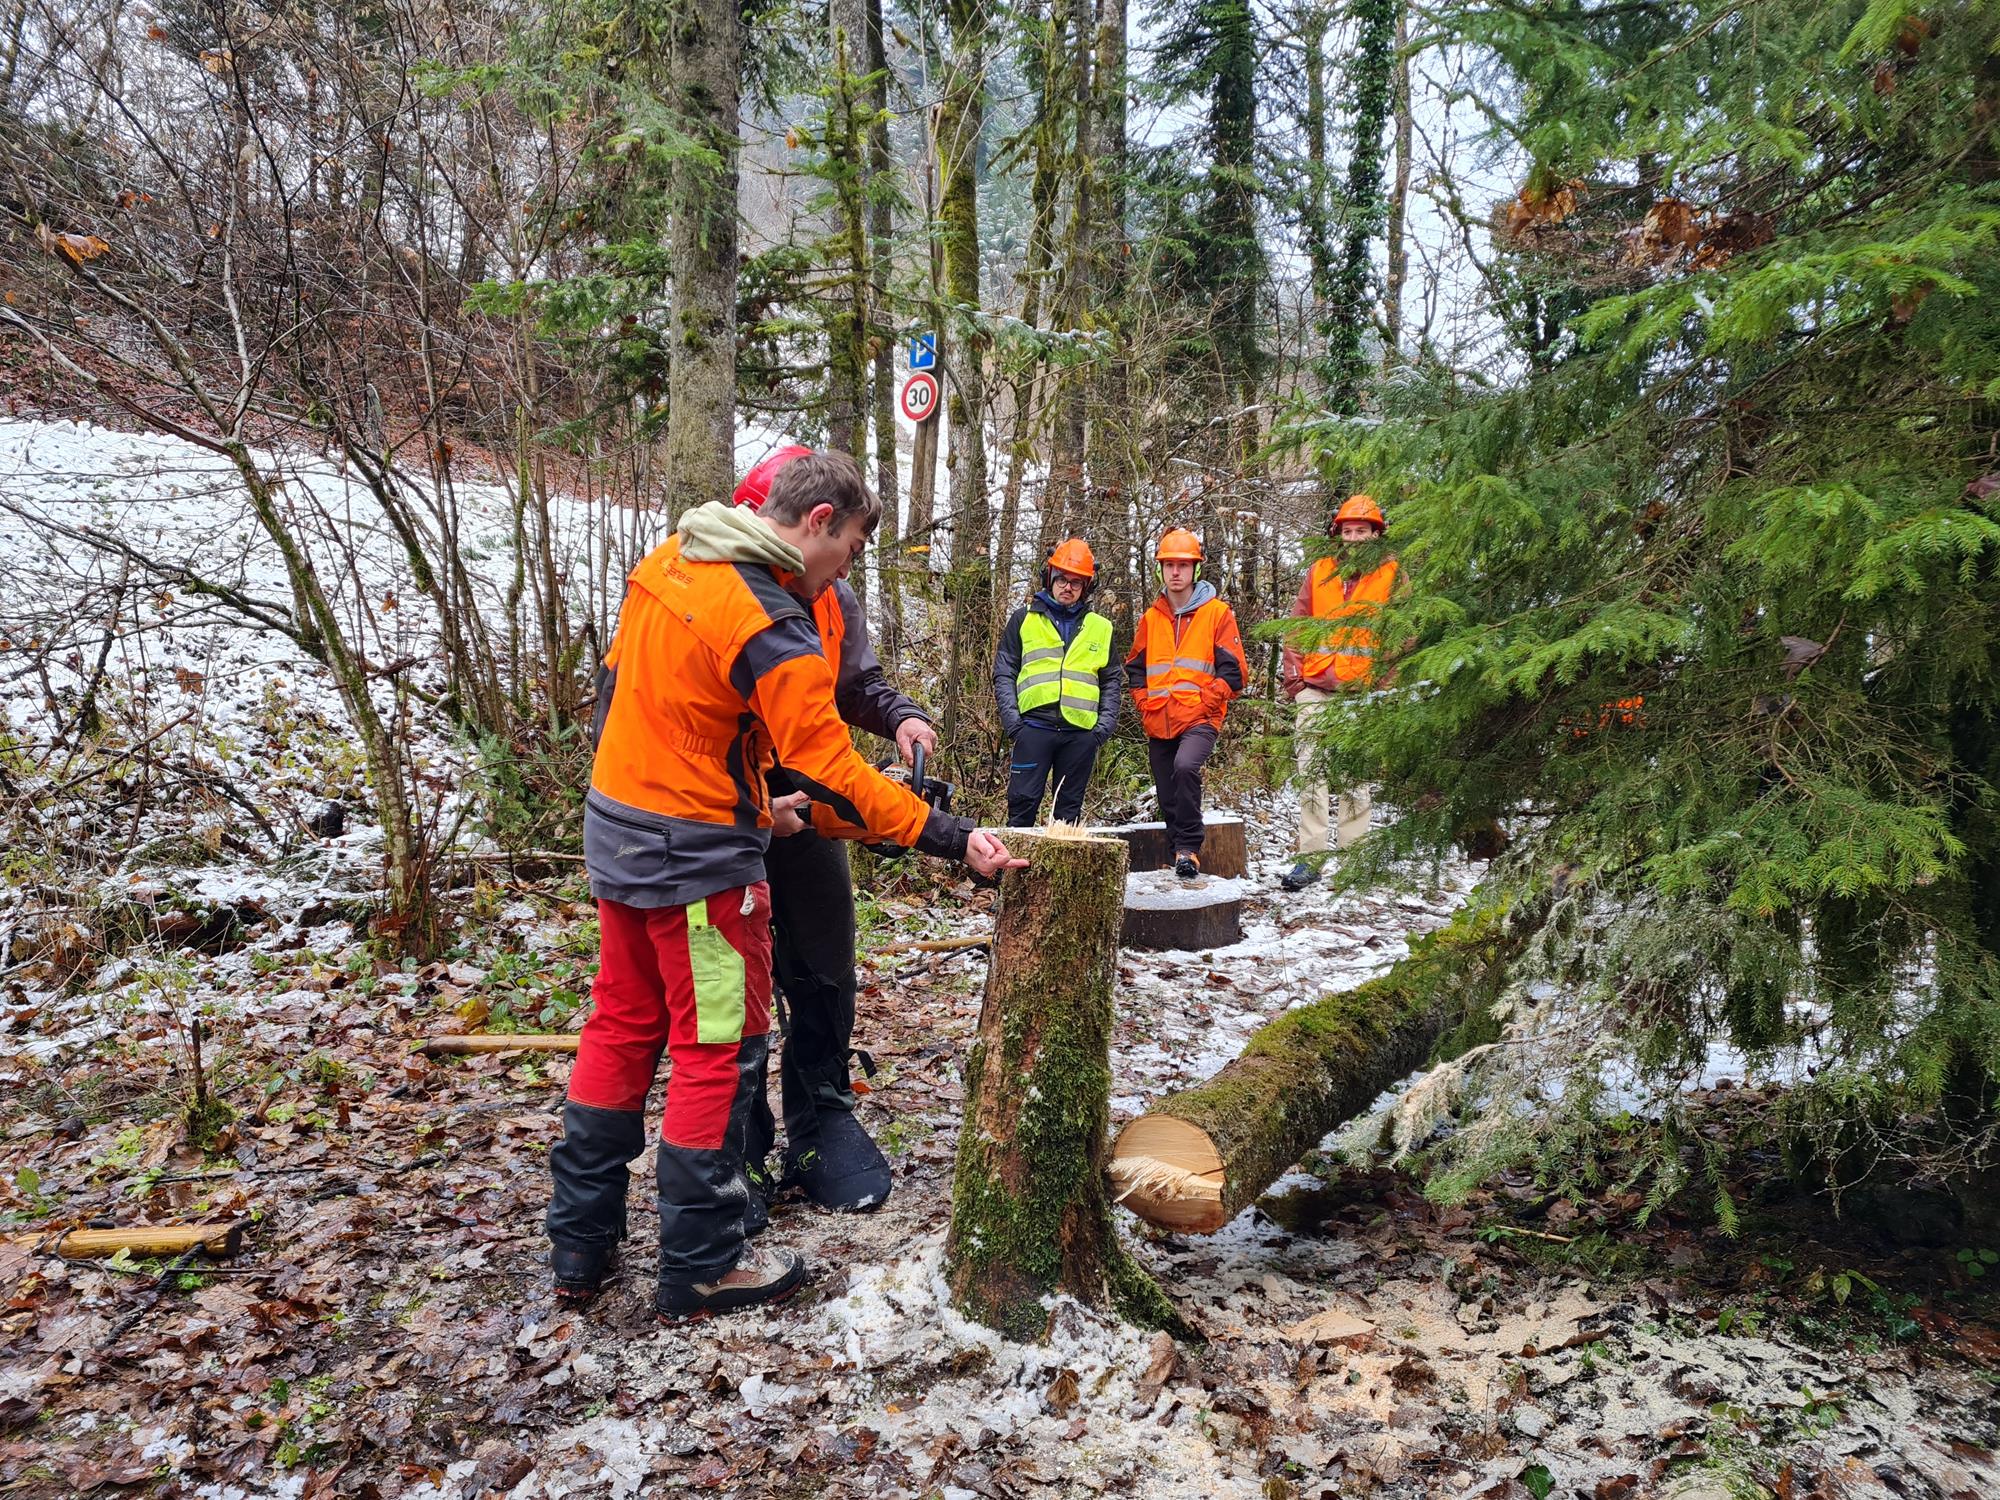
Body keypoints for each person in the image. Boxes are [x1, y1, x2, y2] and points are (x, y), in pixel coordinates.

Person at [548, 452, 1024, 1322]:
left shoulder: (675, 557)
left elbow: (630, 702)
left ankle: (580, 1240)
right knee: (716, 1046)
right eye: (845, 550)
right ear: (819, 521)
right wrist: (953, 838)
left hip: (616, 832)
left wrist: (754, 798)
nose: (843, 572)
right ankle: (700, 1260)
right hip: (697, 865)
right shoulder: (768, 613)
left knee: (620, 1023)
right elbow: (829, 763)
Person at [729, 445, 936, 1220]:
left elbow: (858, 684)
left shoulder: (833, 596)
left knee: (824, 963)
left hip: (810, 795)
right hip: (725, 808)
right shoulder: (726, 587)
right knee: (731, 991)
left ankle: (820, 1116)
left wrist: (901, 714)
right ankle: (737, 1144)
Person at [1280, 493, 1400, 891]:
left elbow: (1403, 637)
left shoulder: (1392, 576)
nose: (1354, 537)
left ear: (1375, 535)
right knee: (1310, 774)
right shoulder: (1320, 571)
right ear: (1338, 534)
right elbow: (1297, 628)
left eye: (1362, 531)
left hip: (1361, 693)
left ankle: (1354, 862)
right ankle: (1310, 859)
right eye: (1348, 531)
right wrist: (1296, 681)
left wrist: (1382, 688)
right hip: (1315, 687)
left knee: (1355, 779)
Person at [1124, 529, 1247, 880]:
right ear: (1161, 569)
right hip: (1158, 718)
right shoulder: (1151, 618)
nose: (1176, 572)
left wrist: (1207, 700)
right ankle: (1177, 851)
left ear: (1195, 568)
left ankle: (1190, 848)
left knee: (1185, 767)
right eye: (1169, 565)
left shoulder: (1217, 614)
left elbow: (1235, 673)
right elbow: (1134, 669)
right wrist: (1143, 701)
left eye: (1183, 565)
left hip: (1200, 718)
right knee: (1165, 786)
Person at [992, 537, 1121, 826]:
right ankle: (1012, 871)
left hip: (1081, 733)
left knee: (1068, 816)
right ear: (1049, 577)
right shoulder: (1023, 619)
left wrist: (1102, 729)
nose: (1068, 587)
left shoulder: (1101, 628)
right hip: (1033, 728)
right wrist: (1014, 724)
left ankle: (1059, 872)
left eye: (1076, 582)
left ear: (1086, 586)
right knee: (1021, 808)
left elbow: (1112, 680)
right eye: (1062, 578)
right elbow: (1004, 672)